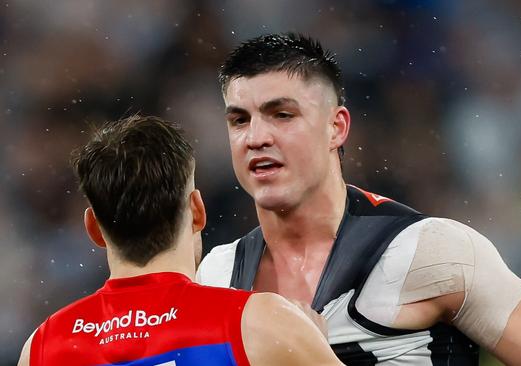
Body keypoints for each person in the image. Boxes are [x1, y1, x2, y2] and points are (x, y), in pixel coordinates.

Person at [197, 33, 521, 365]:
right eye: (239, 120)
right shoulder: (215, 276)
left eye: (282, 115)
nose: (256, 138)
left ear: (336, 128)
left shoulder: (429, 251)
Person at [17, 115, 342, 366]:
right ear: (198, 211)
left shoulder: (45, 346)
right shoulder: (260, 323)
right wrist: (315, 346)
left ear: (93, 228)